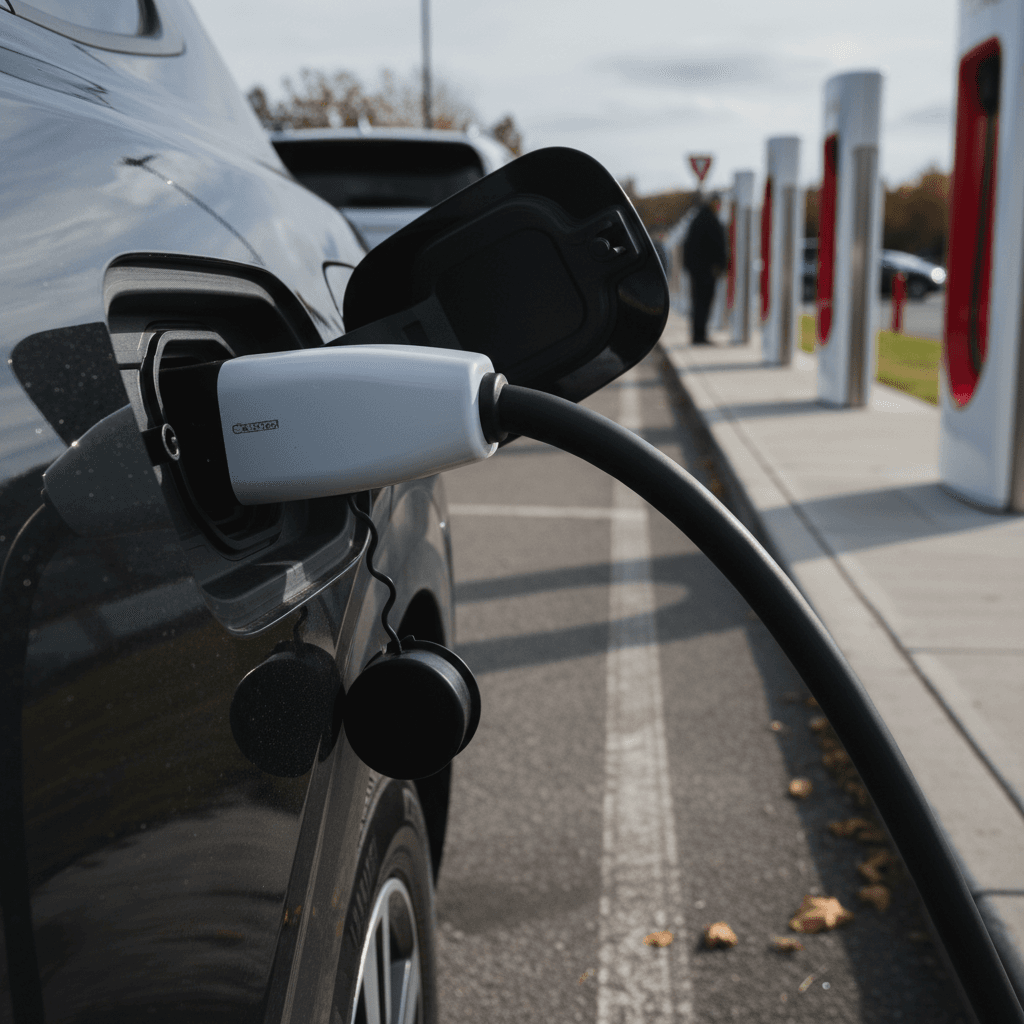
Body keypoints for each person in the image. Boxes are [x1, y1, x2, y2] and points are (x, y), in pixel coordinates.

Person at [682, 196, 728, 344]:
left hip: (696, 271)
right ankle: (700, 336)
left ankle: (697, 335)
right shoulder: (711, 220)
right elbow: (718, 245)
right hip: (706, 271)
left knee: (697, 303)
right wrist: (722, 265)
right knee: (704, 303)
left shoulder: (697, 220)